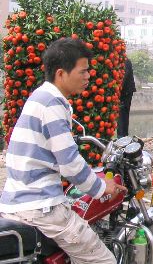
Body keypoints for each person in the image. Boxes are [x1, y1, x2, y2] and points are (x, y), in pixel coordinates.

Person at [0, 38, 126, 264]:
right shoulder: (53, 104)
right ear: (61, 73)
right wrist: (100, 187)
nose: (88, 77)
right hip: (42, 207)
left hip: (17, 201)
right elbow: (69, 163)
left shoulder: (39, 97)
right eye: (83, 71)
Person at [117, 58, 136, 138]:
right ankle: (123, 135)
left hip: (126, 92)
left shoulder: (125, 61)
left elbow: (124, 77)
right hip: (125, 91)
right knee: (123, 114)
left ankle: (122, 136)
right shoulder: (124, 61)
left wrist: (117, 89)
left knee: (122, 113)